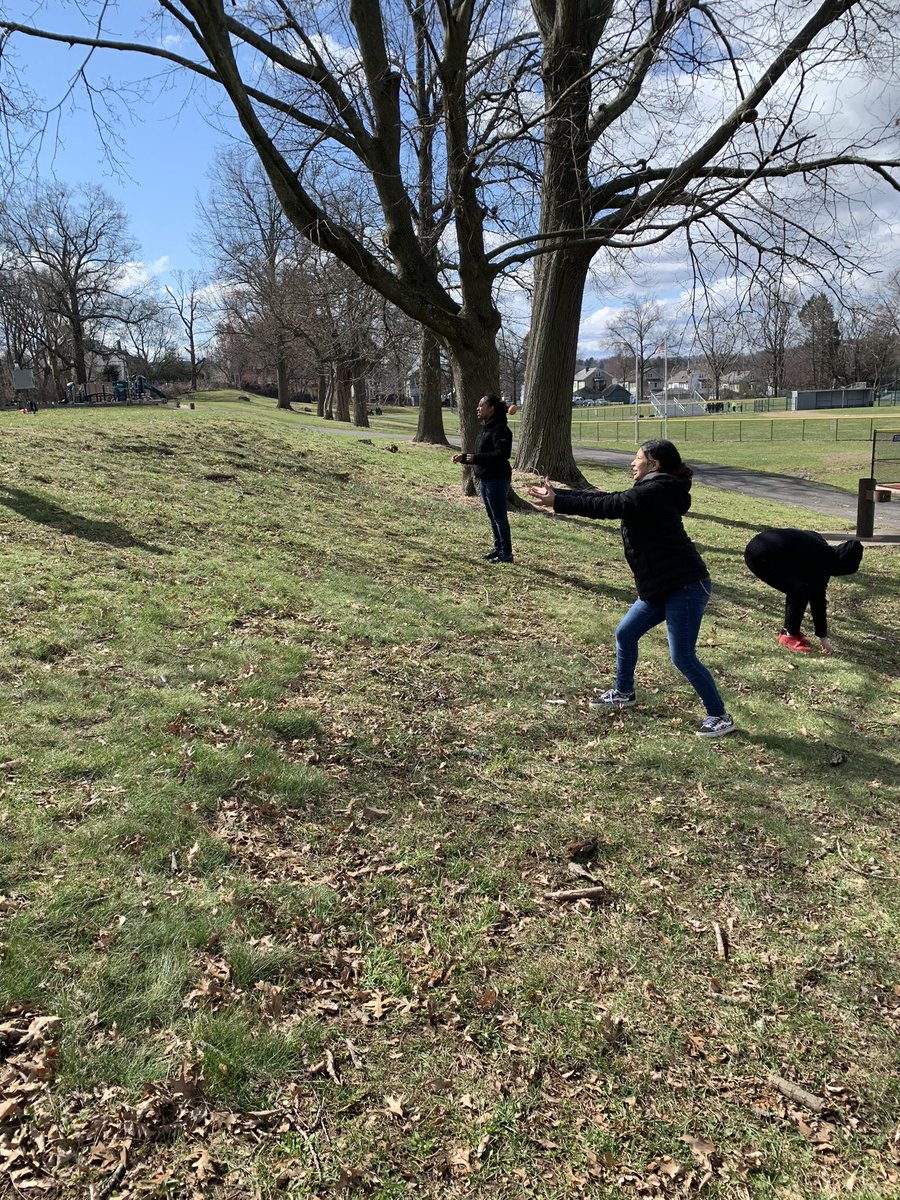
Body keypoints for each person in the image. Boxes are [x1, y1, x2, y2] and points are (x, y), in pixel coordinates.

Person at [528, 438, 734, 738]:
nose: (632, 462)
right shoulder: (654, 489)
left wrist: (558, 502)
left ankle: (720, 715)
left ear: (654, 464)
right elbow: (611, 498)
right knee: (625, 633)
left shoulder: (654, 491)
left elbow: (609, 506)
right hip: (661, 584)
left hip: (685, 586)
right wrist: (559, 495)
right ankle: (624, 692)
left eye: (637, 458)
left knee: (682, 656)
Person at [743, 528, 863, 654]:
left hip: (761, 542)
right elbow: (818, 602)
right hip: (759, 556)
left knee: (798, 588)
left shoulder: (821, 544)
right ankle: (789, 636)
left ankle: (788, 630)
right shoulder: (821, 563)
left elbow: (804, 539)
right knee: (799, 592)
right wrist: (823, 639)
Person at [452, 394, 514, 563]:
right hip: (485, 479)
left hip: (497, 479)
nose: (478, 409)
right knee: (492, 516)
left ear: (491, 408)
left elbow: (502, 454)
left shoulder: (501, 430)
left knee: (500, 517)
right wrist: (464, 458)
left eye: (481, 405)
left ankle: (507, 554)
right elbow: (480, 454)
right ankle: (498, 549)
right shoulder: (486, 428)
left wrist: (476, 458)